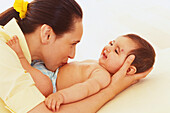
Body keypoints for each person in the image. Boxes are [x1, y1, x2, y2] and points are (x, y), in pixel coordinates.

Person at [0, 0, 152, 113]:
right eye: (72, 44)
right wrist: (113, 89)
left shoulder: (23, 58)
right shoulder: (3, 53)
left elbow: (84, 89)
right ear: (47, 34)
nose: (73, 55)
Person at [6, 33, 155, 112]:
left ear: (129, 69)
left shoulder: (102, 76)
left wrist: (61, 96)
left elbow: (84, 89)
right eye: (111, 43)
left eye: (116, 51)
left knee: (43, 84)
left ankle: (20, 58)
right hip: (51, 71)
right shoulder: (97, 64)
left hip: (51, 83)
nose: (108, 48)